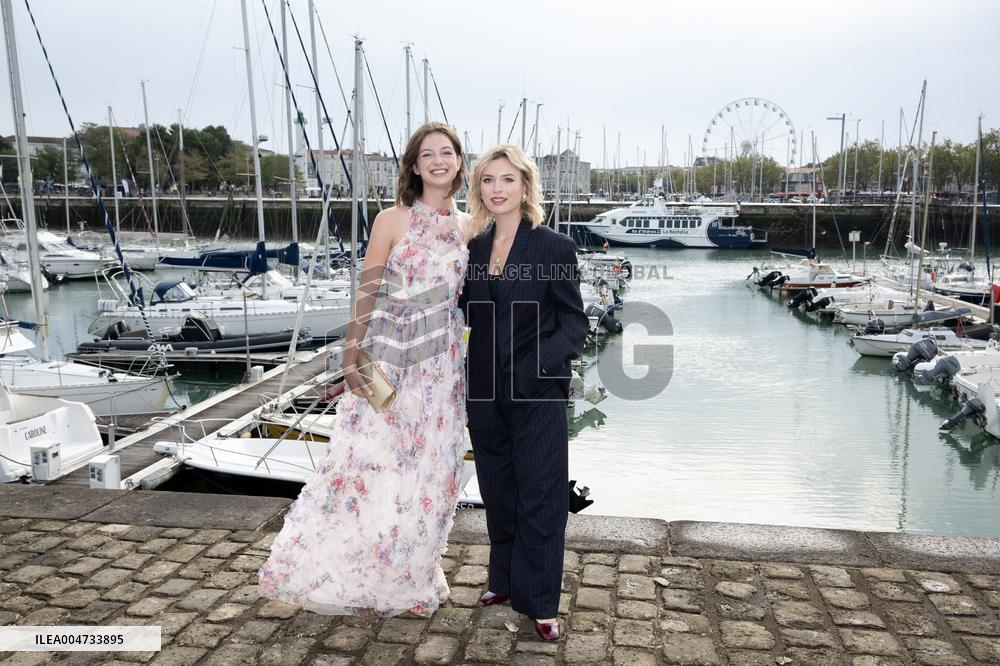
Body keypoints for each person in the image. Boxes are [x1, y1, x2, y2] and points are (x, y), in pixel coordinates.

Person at [259, 122, 469, 617]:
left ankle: (410, 574)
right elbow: (367, 291)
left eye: (447, 152)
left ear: (459, 162)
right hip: (389, 358)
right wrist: (352, 358)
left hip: (442, 368)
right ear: (414, 166)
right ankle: (362, 573)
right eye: (427, 154)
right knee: (373, 464)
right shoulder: (390, 221)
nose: (438, 160)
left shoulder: (470, 227)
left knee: (431, 469)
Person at [460, 144, 589, 640]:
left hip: (537, 392)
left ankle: (540, 603)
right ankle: (504, 580)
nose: (497, 189)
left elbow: (574, 321)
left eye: (507, 180)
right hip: (485, 391)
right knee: (499, 490)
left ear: (525, 187)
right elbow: (464, 312)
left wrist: (538, 367)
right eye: (489, 180)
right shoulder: (473, 247)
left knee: (541, 496)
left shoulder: (554, 246)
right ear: (479, 189)